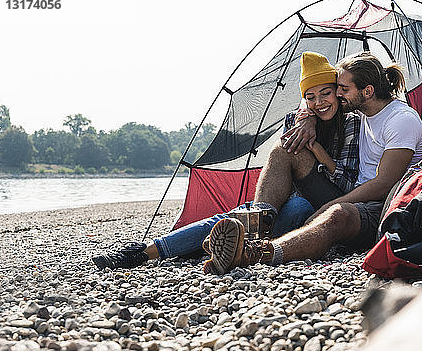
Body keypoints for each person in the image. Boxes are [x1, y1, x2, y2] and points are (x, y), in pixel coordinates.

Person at [92, 52, 360, 270]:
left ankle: (242, 239)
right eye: (310, 97)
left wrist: (315, 148)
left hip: (332, 200)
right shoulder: (296, 118)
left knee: (296, 201)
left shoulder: (352, 123)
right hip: (289, 199)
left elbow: (348, 183)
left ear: (337, 92)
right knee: (236, 217)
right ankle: (145, 252)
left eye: (325, 93)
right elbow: (287, 167)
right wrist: (307, 118)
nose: (319, 102)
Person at [205, 51, 422, 274]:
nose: (338, 95)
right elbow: (313, 99)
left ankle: (257, 254)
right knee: (285, 149)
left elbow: (384, 184)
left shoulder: (401, 120)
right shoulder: (364, 112)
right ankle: (256, 227)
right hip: (355, 194)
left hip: (384, 205)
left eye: (344, 89)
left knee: (337, 214)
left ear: (367, 91)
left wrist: (327, 206)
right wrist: (308, 119)